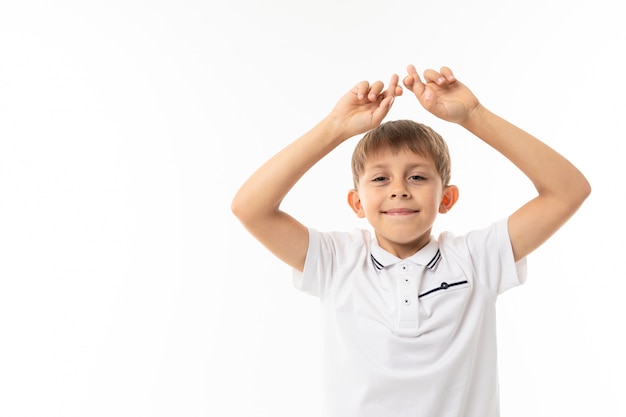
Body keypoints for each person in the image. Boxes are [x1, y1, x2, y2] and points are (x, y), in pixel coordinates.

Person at [231, 64, 591, 417]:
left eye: (417, 177)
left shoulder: (478, 259)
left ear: (446, 198)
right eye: (380, 179)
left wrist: (475, 116)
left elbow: (567, 191)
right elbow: (251, 208)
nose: (399, 190)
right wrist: (335, 128)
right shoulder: (336, 261)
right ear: (357, 202)